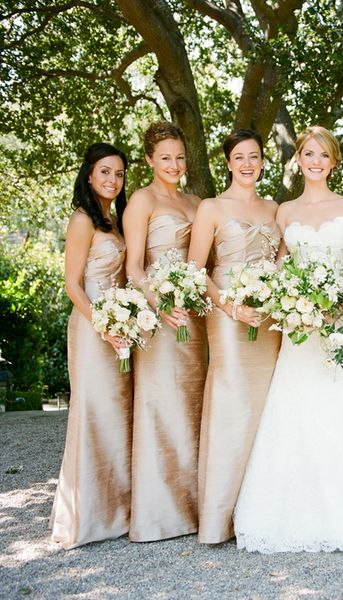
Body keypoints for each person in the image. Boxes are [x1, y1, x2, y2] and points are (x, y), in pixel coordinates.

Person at [233, 125, 343, 553]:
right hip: (300, 331)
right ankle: (291, 516)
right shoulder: (284, 212)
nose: (315, 161)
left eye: (323, 155)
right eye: (308, 154)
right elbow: (280, 267)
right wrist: (288, 299)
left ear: (333, 162)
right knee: (299, 414)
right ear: (297, 159)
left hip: (342, 328)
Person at [188, 129, 281, 544]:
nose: (247, 163)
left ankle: (257, 512)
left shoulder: (275, 208)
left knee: (265, 407)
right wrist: (230, 306)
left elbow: (281, 260)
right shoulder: (210, 207)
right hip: (226, 314)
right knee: (232, 404)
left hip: (267, 316)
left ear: (263, 162)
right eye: (239, 156)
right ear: (228, 163)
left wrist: (275, 296)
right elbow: (196, 270)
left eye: (255, 156)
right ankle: (217, 517)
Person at [123, 121, 206, 542]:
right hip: (161, 316)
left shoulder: (196, 200)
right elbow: (134, 267)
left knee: (194, 406)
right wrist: (159, 304)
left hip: (198, 316)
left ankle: (195, 507)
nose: (174, 164)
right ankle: (161, 512)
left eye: (179, 157)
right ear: (149, 160)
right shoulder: (141, 200)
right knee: (163, 405)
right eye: (165, 158)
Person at [51, 142, 132, 548]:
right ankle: (84, 516)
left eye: (118, 174)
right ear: (89, 175)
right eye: (105, 172)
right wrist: (103, 324)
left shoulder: (113, 222)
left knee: (116, 416)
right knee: (93, 412)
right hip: (92, 325)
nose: (112, 180)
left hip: (120, 326)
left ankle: (114, 511)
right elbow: (72, 284)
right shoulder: (83, 219)